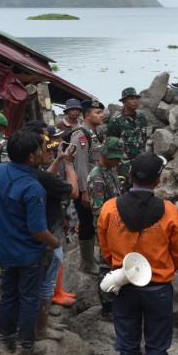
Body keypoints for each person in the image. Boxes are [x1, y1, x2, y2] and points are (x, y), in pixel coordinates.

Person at [98, 153, 178, 355]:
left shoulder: (109, 209)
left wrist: (119, 267)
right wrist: (163, 269)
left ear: (130, 176)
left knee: (127, 345)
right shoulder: (170, 211)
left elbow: (104, 248)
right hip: (158, 288)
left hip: (123, 286)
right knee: (157, 345)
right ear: (158, 180)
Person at [0, 130, 60, 355]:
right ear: (32, 157)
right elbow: (37, 230)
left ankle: (6, 339)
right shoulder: (33, 188)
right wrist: (55, 243)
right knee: (29, 298)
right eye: (43, 149)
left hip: (5, 249)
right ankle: (26, 346)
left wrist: (0, 230)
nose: (47, 151)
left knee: (8, 295)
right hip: (28, 255)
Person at [30, 131, 78, 336]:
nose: (49, 150)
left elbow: (48, 176)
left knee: (43, 282)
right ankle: (41, 327)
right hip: (50, 235)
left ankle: (43, 323)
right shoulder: (40, 176)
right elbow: (74, 192)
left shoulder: (32, 173)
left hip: (45, 233)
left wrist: (59, 159)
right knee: (46, 284)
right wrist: (69, 165)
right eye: (45, 147)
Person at [88, 136, 130, 320]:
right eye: (115, 157)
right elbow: (98, 209)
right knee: (106, 264)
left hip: (118, 225)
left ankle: (119, 299)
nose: (118, 161)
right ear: (104, 155)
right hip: (105, 227)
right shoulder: (97, 177)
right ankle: (107, 306)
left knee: (118, 261)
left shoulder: (111, 169)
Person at [70, 99, 105, 273]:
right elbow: (81, 165)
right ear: (88, 115)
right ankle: (86, 263)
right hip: (85, 189)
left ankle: (91, 258)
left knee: (92, 223)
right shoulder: (81, 135)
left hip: (94, 187)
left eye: (102, 112)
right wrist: (83, 191)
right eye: (98, 113)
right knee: (85, 223)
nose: (102, 115)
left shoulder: (93, 133)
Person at [107, 87, 148, 161]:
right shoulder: (115, 121)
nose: (135, 101)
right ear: (123, 102)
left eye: (136, 98)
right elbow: (110, 146)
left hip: (140, 162)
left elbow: (144, 139)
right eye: (131, 99)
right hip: (123, 165)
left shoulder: (142, 118)